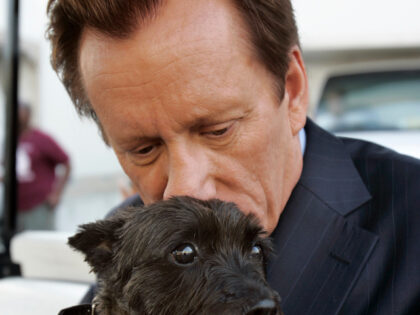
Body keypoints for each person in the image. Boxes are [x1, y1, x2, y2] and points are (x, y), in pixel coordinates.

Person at [46, 0, 420, 313]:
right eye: (143, 149)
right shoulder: (129, 234)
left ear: (291, 91)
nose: (186, 186)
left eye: (218, 130)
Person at [15, 102, 71, 231]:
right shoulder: (9, 141)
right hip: (16, 207)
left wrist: (57, 194)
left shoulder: (41, 139)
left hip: (39, 206)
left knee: (40, 245)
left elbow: (66, 163)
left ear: (28, 115)